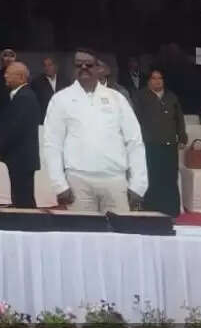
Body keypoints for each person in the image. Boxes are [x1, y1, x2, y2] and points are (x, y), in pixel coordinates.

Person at [40, 49, 147, 214]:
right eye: (78, 65)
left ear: (99, 68)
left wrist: (138, 185)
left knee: (119, 238)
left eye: (88, 64)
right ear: (73, 69)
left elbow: (134, 141)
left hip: (115, 180)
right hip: (78, 181)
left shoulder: (117, 99)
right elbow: (52, 144)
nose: (84, 68)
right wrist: (59, 185)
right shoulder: (61, 99)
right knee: (81, 237)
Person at [133, 67, 186, 216]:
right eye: (154, 78)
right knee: (152, 175)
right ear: (148, 81)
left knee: (169, 177)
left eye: (160, 78)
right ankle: (151, 209)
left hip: (169, 143)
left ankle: (170, 210)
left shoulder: (171, 97)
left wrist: (182, 137)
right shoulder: (140, 96)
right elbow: (135, 119)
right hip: (149, 144)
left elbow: (179, 119)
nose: (157, 81)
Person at [0, 59, 43, 208]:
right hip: (20, 158)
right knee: (20, 196)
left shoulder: (24, 97)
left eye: (9, 74)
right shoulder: (22, 95)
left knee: (23, 198)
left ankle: (27, 225)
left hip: (21, 158)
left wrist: (0, 147)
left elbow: (15, 128)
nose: (5, 77)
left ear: (21, 77)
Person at [33, 53, 63, 119]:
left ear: (56, 66)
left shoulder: (64, 80)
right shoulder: (36, 82)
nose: (47, 68)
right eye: (45, 65)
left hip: (61, 117)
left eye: (50, 65)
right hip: (44, 118)